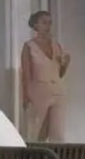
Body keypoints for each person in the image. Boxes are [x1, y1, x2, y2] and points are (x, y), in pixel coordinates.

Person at [19, 10, 70, 141]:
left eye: (49, 23)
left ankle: (56, 153)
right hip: (38, 91)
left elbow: (59, 73)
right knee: (37, 131)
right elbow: (26, 74)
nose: (47, 26)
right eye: (44, 23)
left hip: (57, 91)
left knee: (57, 131)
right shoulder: (29, 46)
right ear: (36, 25)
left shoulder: (56, 45)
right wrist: (25, 96)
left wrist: (66, 64)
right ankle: (36, 153)